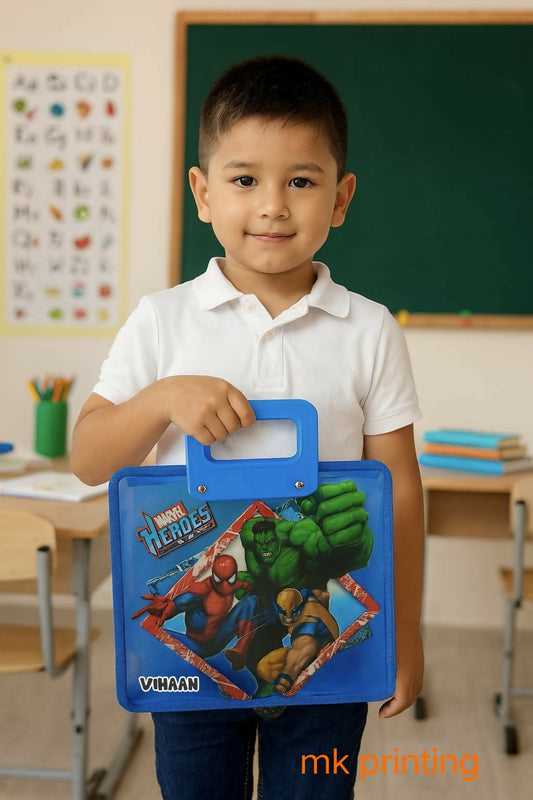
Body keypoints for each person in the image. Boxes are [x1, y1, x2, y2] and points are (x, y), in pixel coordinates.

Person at [71, 55, 424, 800]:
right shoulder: (161, 321)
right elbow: (88, 457)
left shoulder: (368, 330)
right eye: (243, 180)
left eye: (300, 180)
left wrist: (406, 632)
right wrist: (162, 396)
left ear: (340, 197)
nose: (271, 206)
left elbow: (396, 493)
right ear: (202, 192)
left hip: (326, 643)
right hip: (195, 657)